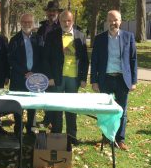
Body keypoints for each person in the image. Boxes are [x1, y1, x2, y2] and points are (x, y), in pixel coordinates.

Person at [90, 10, 137, 151]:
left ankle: (120, 139)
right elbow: (95, 61)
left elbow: (133, 60)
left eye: (115, 20)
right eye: (110, 20)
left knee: (122, 110)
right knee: (105, 110)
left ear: (120, 21)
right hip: (105, 79)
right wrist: (94, 81)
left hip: (123, 79)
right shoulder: (99, 39)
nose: (113, 23)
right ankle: (106, 137)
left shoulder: (128, 37)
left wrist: (133, 81)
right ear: (106, 22)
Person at [43, 10, 89, 146]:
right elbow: (45, 59)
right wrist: (49, 77)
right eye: (63, 20)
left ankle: (71, 135)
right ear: (60, 21)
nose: (66, 23)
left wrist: (83, 79)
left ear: (72, 21)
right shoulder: (51, 35)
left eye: (69, 20)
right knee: (57, 107)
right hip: (57, 77)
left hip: (73, 78)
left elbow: (85, 60)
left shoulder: (80, 36)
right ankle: (56, 134)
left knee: (71, 108)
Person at [8, 13, 42, 135]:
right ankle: (18, 127)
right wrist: (25, 72)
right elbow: (11, 59)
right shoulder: (14, 40)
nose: (27, 24)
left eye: (29, 22)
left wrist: (34, 73)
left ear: (32, 24)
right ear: (20, 23)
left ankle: (31, 127)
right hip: (19, 77)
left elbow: (41, 58)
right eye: (24, 22)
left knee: (32, 104)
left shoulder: (39, 39)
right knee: (18, 104)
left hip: (34, 78)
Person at [37, 1, 62, 127]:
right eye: (49, 11)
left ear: (58, 13)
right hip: (43, 64)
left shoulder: (61, 27)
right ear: (46, 12)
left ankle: (55, 121)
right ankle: (47, 118)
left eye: (54, 11)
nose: (51, 13)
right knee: (45, 93)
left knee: (55, 94)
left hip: (56, 65)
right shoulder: (41, 28)